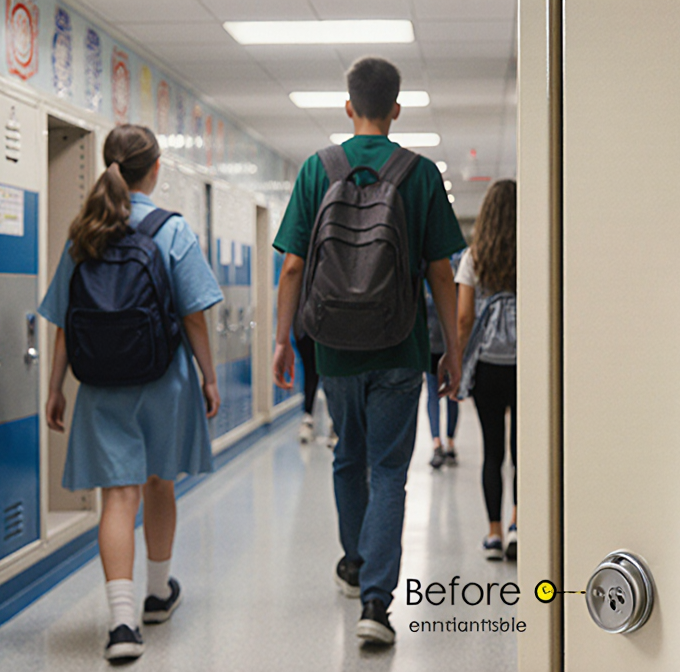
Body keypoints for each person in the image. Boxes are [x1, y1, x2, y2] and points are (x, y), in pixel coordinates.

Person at [272, 56, 464, 647]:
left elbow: (294, 266)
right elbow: (440, 273)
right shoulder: (421, 174)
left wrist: (283, 341)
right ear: (397, 109)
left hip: (333, 348)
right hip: (400, 346)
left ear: (348, 106)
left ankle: (354, 564)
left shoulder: (316, 169)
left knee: (347, 458)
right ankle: (376, 605)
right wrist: (452, 349)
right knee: (388, 472)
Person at [39, 124, 223, 662]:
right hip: (163, 379)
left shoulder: (85, 232)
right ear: (156, 169)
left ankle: (121, 625)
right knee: (158, 482)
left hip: (100, 386)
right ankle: (157, 594)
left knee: (117, 497)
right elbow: (194, 316)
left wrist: (55, 388)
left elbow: (63, 323)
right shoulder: (173, 231)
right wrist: (210, 377)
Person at [455, 179, 518, 561]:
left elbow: (463, 319)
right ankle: (518, 525)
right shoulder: (533, 251)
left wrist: (461, 363)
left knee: (491, 451)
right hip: (525, 367)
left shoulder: (473, 258)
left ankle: (493, 533)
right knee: (523, 452)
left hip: (488, 369)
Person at [425, 251, 464, 468]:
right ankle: (446, 442)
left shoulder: (425, 270)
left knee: (435, 394)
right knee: (449, 392)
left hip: (432, 342)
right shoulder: (454, 273)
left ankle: (439, 443)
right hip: (447, 342)